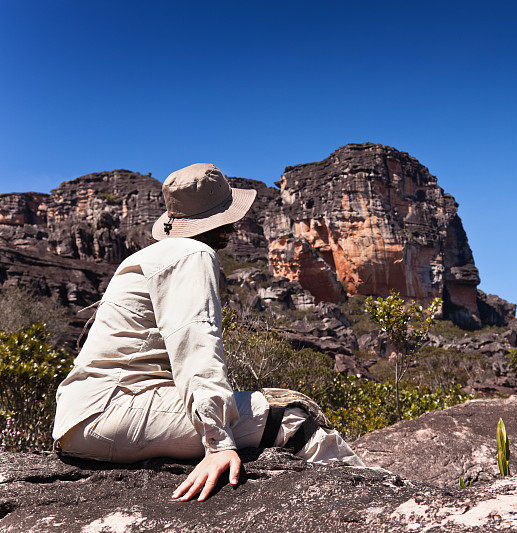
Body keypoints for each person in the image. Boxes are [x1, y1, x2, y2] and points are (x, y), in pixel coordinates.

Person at [52, 163, 365, 502]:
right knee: (289, 413)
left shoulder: (151, 256)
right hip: (115, 410)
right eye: (230, 216)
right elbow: (194, 342)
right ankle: (368, 500)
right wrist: (218, 443)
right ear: (222, 220)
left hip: (85, 414)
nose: (235, 225)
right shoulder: (192, 253)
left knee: (278, 404)